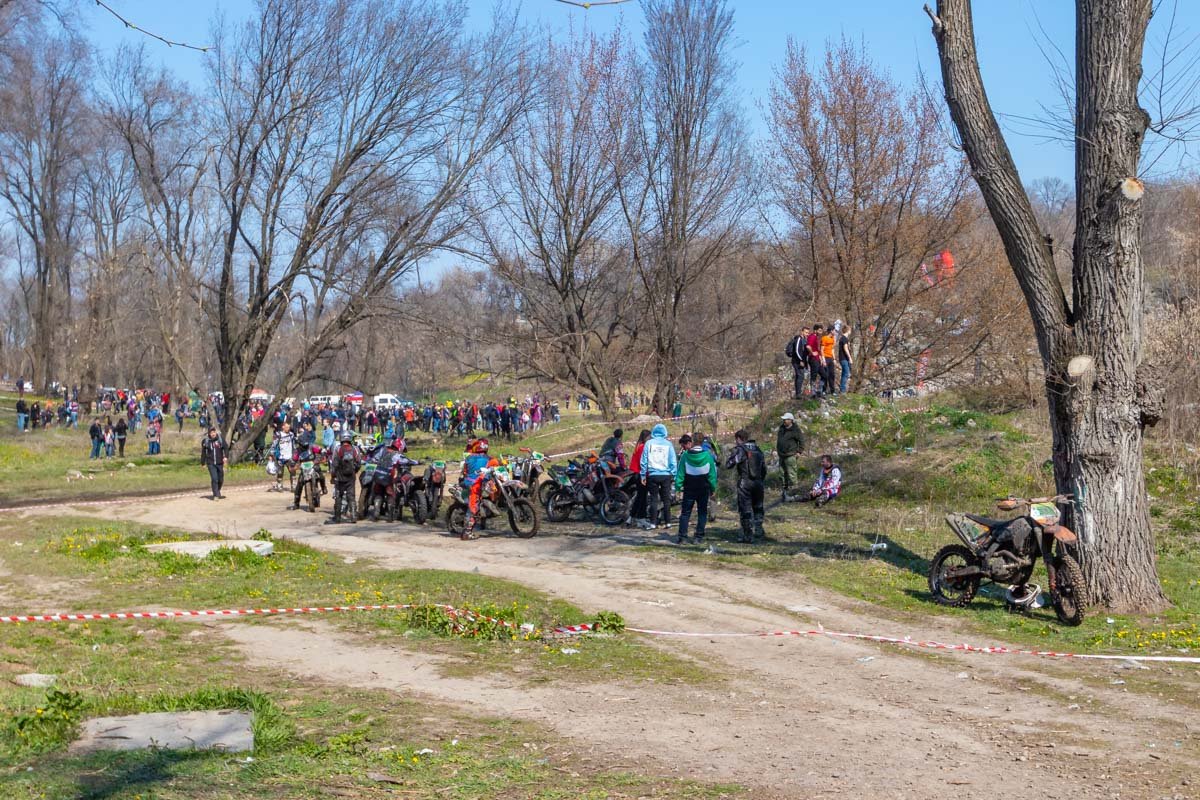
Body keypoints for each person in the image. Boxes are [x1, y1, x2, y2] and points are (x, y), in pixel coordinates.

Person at [725, 429, 767, 543]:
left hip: (745, 483)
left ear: (739, 439)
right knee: (758, 507)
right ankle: (759, 530)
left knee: (745, 508)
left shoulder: (740, 450)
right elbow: (764, 469)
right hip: (758, 482)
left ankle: (748, 535)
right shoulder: (758, 449)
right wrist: (761, 480)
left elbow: (729, 464)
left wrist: (732, 456)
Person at [674, 435, 718, 544]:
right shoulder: (708, 456)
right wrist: (713, 488)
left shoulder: (685, 456)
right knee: (702, 512)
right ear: (702, 442)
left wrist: (678, 487)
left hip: (689, 487)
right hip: (703, 488)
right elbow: (712, 474)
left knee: (685, 513)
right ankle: (698, 537)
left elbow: (680, 473)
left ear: (692, 441)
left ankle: (683, 537)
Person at [640, 423, 676, 530]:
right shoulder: (668, 444)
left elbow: (644, 460)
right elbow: (673, 461)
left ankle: (653, 523)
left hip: (652, 475)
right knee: (666, 499)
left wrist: (643, 475)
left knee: (654, 499)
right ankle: (668, 522)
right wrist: (674, 474)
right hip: (666, 475)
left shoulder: (648, 443)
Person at [327, 430, 361, 524]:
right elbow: (359, 463)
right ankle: (353, 516)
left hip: (339, 477)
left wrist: (333, 476)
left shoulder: (338, 449)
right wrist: (354, 471)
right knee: (351, 496)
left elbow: (334, 464)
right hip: (351, 477)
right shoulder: (355, 449)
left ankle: (337, 517)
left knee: (339, 497)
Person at [776, 413, 805, 501]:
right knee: (782, 474)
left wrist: (799, 452)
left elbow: (802, 441)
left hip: (791, 455)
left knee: (792, 474)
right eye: (784, 419)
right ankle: (785, 492)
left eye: (786, 419)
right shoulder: (782, 428)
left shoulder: (795, 430)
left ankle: (794, 493)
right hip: (782, 455)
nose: (784, 421)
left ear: (791, 420)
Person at [628, 429, 651, 528]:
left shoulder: (638, 446)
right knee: (643, 497)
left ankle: (631, 517)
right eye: (649, 437)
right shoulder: (643, 447)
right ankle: (641, 517)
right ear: (646, 437)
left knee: (639, 497)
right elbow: (644, 462)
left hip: (636, 473)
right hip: (641, 474)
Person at [200, 426, 229, 500]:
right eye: (211, 433)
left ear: (216, 432)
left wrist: (226, 457)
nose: (213, 434)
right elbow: (203, 453)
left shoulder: (220, 439)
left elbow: (226, 448)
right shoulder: (206, 441)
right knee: (214, 478)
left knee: (220, 479)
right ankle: (215, 494)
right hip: (211, 463)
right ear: (209, 434)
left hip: (219, 463)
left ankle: (217, 490)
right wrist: (203, 463)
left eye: (214, 432)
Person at [270, 421, 297, 491]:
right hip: (281, 457)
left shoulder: (291, 434)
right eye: (287, 427)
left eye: (289, 427)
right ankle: (279, 485)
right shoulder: (278, 435)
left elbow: (294, 444)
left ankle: (293, 486)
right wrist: (271, 454)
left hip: (290, 456)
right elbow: (274, 445)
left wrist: (295, 453)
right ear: (283, 427)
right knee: (280, 472)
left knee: (293, 471)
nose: (288, 428)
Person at [788, 327, 810, 399]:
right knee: (800, 376)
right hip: (797, 361)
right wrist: (801, 360)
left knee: (799, 376)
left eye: (808, 333)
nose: (807, 334)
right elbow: (797, 351)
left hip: (801, 361)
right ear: (802, 332)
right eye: (806, 332)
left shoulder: (804, 340)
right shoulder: (799, 339)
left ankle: (798, 393)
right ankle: (798, 394)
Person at [806, 325, 824, 397]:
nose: (821, 332)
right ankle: (813, 392)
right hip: (813, 359)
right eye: (819, 331)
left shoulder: (816, 337)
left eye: (821, 331)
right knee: (814, 375)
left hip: (817, 359)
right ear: (815, 330)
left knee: (824, 375)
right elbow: (808, 346)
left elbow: (817, 349)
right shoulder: (812, 336)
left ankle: (819, 391)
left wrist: (820, 358)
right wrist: (812, 353)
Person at [820, 325, 837, 395]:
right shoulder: (824, 338)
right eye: (834, 330)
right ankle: (823, 390)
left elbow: (832, 349)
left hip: (830, 358)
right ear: (831, 331)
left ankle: (832, 391)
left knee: (832, 374)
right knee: (825, 374)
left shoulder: (832, 339)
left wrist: (834, 359)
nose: (835, 332)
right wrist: (823, 360)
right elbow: (822, 350)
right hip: (825, 358)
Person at [838, 325, 853, 394]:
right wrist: (850, 358)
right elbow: (845, 348)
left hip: (843, 358)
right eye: (850, 330)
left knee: (844, 373)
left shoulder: (843, 338)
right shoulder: (844, 338)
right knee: (846, 373)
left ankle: (842, 389)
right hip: (844, 358)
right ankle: (842, 390)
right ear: (848, 330)